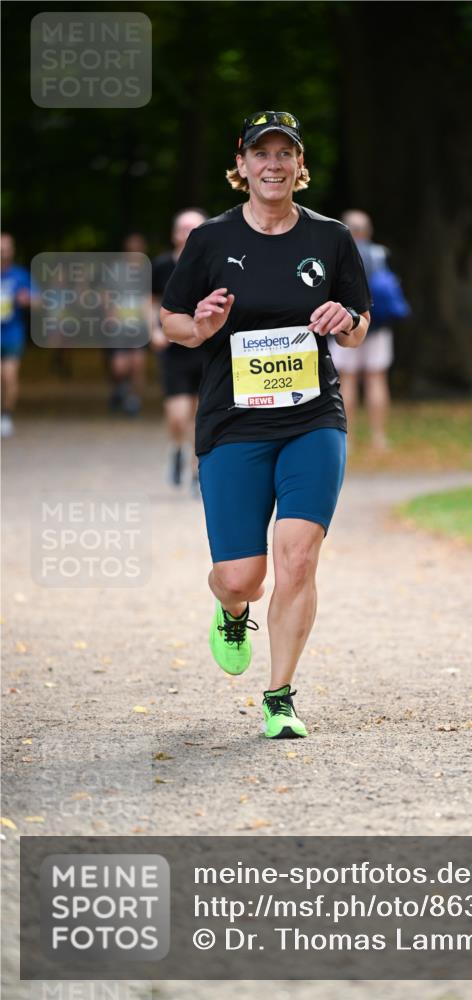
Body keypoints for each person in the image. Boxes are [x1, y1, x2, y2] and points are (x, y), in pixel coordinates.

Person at [160, 111, 370, 738]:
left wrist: (344, 320)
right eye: (262, 154)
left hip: (313, 418)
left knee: (298, 558)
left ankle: (280, 698)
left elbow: (361, 327)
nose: (273, 165)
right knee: (241, 576)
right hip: (234, 422)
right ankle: (230, 610)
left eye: (286, 154)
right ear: (243, 164)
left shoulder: (331, 239)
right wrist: (199, 324)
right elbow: (170, 322)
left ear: (299, 166)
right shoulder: (209, 241)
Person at [329, 210, 408, 451]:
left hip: (347, 326)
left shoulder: (337, 254)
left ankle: (348, 440)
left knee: (347, 380)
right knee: (376, 379)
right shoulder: (380, 253)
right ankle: (378, 437)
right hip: (378, 326)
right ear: (368, 230)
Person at [151, 209, 209, 492]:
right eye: (184, 229)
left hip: (206, 349)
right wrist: (153, 329)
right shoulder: (162, 265)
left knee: (201, 416)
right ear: (175, 234)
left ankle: (197, 471)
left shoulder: (213, 263)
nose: (189, 234)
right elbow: (150, 301)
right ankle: (176, 449)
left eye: (195, 229)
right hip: (174, 351)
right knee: (178, 416)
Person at [106, 233, 151, 416]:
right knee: (119, 366)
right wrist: (109, 313)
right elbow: (106, 293)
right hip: (119, 324)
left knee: (138, 363)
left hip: (139, 324)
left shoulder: (148, 271)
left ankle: (134, 399)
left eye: (138, 250)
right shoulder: (116, 271)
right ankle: (120, 388)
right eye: (131, 250)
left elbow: (154, 296)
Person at [1, 233, 34, 438]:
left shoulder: (20, 275)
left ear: (12, 251)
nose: (2, 252)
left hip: (12, 333)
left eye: (6, 248)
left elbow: (38, 299)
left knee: (9, 376)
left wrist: (27, 299)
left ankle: (5, 415)